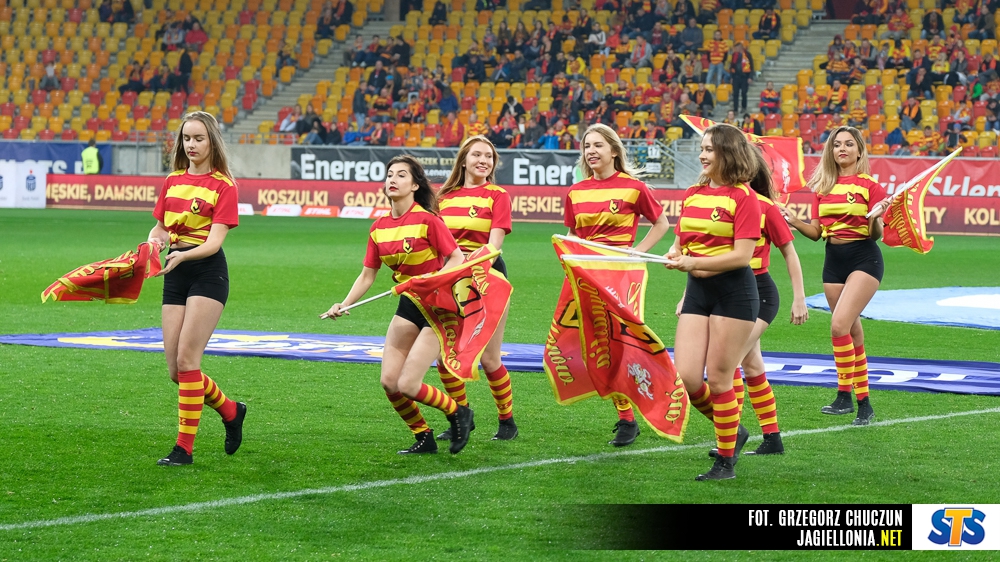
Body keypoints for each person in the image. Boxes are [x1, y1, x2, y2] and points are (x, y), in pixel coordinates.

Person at [322, 156, 473, 454]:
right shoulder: (378, 227)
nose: (392, 179)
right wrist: (344, 303)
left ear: (415, 185)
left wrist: (431, 280)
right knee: (390, 382)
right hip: (409, 304)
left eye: (401, 175)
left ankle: (459, 413)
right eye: (390, 174)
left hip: (439, 306)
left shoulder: (429, 220)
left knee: (408, 384)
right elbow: (367, 275)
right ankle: (423, 436)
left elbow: (457, 259)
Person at [562, 124, 671, 447]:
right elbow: (572, 235)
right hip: (585, 278)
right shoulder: (575, 192)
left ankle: (638, 410)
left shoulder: (633, 188)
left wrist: (637, 251)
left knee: (620, 345)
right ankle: (627, 417)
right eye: (587, 146)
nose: (591, 151)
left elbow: (662, 223)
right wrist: (568, 258)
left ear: (613, 150)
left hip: (619, 277)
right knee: (596, 347)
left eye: (598, 145)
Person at [147, 112, 246, 466]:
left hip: (206, 272)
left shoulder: (224, 185)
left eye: (198, 139)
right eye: (187, 138)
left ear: (212, 142)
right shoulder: (172, 180)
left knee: (188, 361)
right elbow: (160, 228)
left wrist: (182, 255)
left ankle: (183, 449)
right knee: (176, 371)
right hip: (175, 272)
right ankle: (231, 411)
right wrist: (154, 243)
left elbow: (214, 243)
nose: (191, 145)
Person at [664, 123, 762, 480]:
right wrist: (675, 253)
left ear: (728, 153)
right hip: (698, 292)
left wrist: (694, 263)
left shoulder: (745, 197)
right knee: (688, 379)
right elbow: (680, 241)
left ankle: (725, 461)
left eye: (709, 149)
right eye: (702, 149)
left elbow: (742, 256)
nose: (702, 155)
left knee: (720, 380)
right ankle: (733, 430)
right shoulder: (692, 193)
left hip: (734, 293)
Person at [779, 126, 891, 426]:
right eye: (837, 144)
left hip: (864, 258)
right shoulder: (822, 188)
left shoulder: (871, 186)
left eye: (849, 144)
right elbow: (816, 233)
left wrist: (876, 217)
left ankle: (844, 395)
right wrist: (794, 220)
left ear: (859, 150)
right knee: (852, 331)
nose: (842, 148)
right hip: (833, 261)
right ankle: (864, 404)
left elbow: (876, 235)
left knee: (839, 325)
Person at [704, 146, 808, 460]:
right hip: (732, 292)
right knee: (751, 365)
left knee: (728, 363)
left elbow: (790, 252)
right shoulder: (721, 202)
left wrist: (799, 298)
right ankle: (772, 438)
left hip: (758, 293)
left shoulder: (765, 206)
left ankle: (731, 437)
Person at [434, 136, 518, 441]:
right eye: (477, 155)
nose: (483, 161)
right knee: (445, 357)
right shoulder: (443, 197)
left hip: (487, 277)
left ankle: (507, 421)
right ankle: (462, 416)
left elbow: (494, 246)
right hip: (450, 278)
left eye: (489, 157)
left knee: (489, 358)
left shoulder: (498, 195)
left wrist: (469, 266)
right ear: (464, 160)